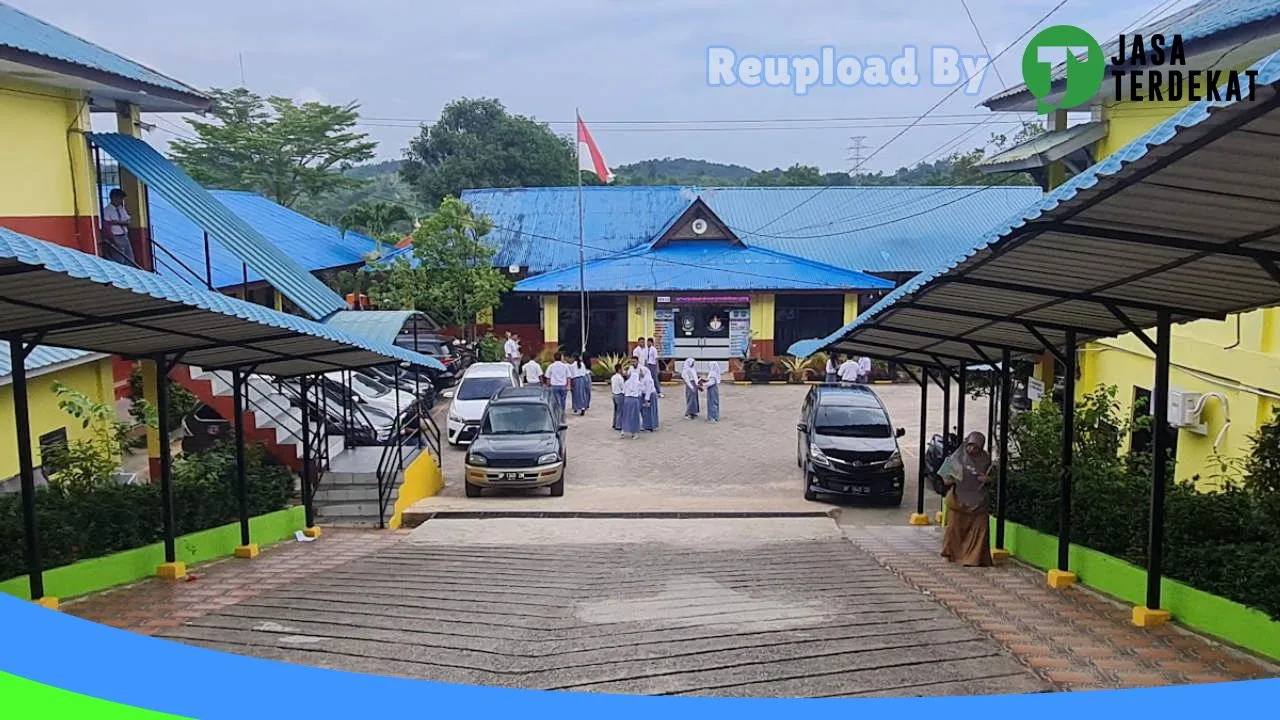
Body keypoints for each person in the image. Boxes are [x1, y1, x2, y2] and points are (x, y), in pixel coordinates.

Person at [939, 431, 995, 567]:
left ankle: (974, 558)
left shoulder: (985, 459)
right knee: (955, 529)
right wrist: (952, 478)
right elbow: (944, 478)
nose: (972, 449)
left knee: (980, 530)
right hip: (959, 500)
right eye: (970, 446)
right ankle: (952, 553)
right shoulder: (957, 458)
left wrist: (987, 479)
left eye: (976, 447)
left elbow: (992, 477)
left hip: (978, 501)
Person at [101, 188, 134, 266]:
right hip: (115, 236)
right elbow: (107, 226)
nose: (121, 201)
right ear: (113, 198)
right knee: (119, 259)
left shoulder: (121, 209)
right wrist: (114, 241)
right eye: (119, 198)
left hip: (124, 236)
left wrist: (115, 222)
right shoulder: (106, 211)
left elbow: (128, 222)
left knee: (129, 258)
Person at [620, 363, 643, 439]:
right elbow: (641, 392)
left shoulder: (626, 383)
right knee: (634, 416)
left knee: (626, 415)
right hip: (634, 400)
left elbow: (623, 391)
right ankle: (634, 432)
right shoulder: (639, 383)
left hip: (627, 399)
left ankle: (623, 430)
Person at [639, 365, 659, 432]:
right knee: (645, 411)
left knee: (649, 411)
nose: (640, 373)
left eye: (641, 371)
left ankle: (650, 426)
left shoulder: (648, 379)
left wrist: (647, 399)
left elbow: (648, 390)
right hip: (645, 395)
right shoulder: (643, 378)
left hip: (650, 395)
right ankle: (646, 425)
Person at [610, 364, 626, 431]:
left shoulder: (613, 377)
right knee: (620, 411)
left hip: (614, 394)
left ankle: (614, 423)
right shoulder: (620, 378)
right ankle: (619, 425)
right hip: (620, 395)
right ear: (619, 370)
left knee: (616, 410)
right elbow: (623, 388)